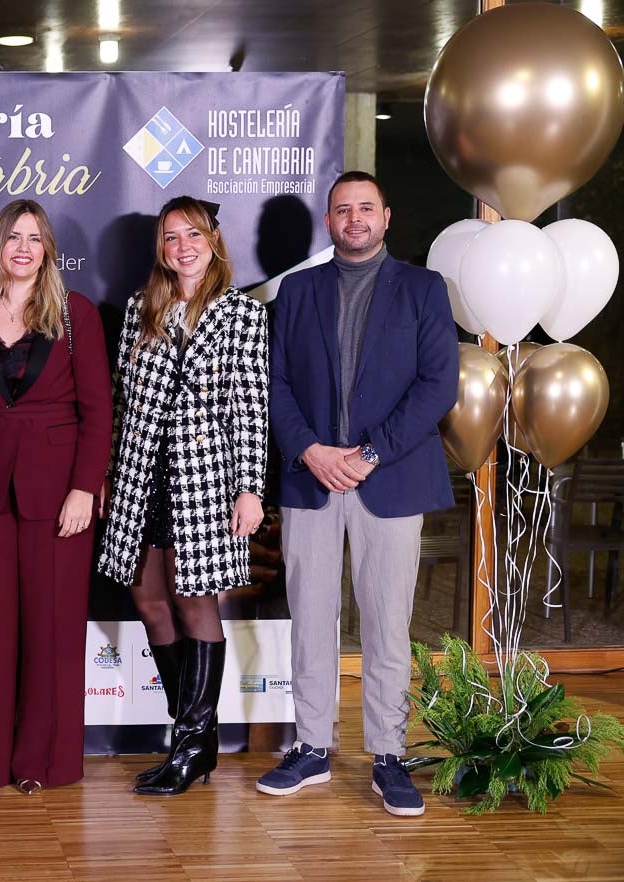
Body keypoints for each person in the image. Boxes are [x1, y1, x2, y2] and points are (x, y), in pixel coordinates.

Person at [257, 171, 457, 817]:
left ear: (386, 215)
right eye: (342, 209)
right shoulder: (296, 290)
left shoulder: (424, 290)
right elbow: (275, 382)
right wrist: (311, 451)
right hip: (309, 479)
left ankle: (388, 755)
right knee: (310, 620)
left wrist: (369, 454)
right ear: (328, 220)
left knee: (386, 628)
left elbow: (436, 386)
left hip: (388, 481)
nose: (354, 218)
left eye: (364, 207)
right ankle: (311, 747)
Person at [97, 195, 268, 796]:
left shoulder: (241, 314)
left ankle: (193, 744)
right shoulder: (141, 309)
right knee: (148, 597)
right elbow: (120, 402)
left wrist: (249, 489)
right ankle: (191, 733)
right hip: (141, 473)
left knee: (195, 602)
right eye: (171, 237)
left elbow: (249, 409)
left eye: (193, 234)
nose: (182, 247)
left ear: (214, 239)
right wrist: (108, 475)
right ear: (161, 250)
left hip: (204, 480)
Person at [0, 199, 112, 793]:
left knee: (52, 628)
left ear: (48, 248)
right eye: (13, 236)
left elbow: (99, 411)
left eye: (35, 237)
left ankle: (43, 763)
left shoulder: (75, 313)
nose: (23, 247)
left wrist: (85, 487)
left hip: (58, 494)